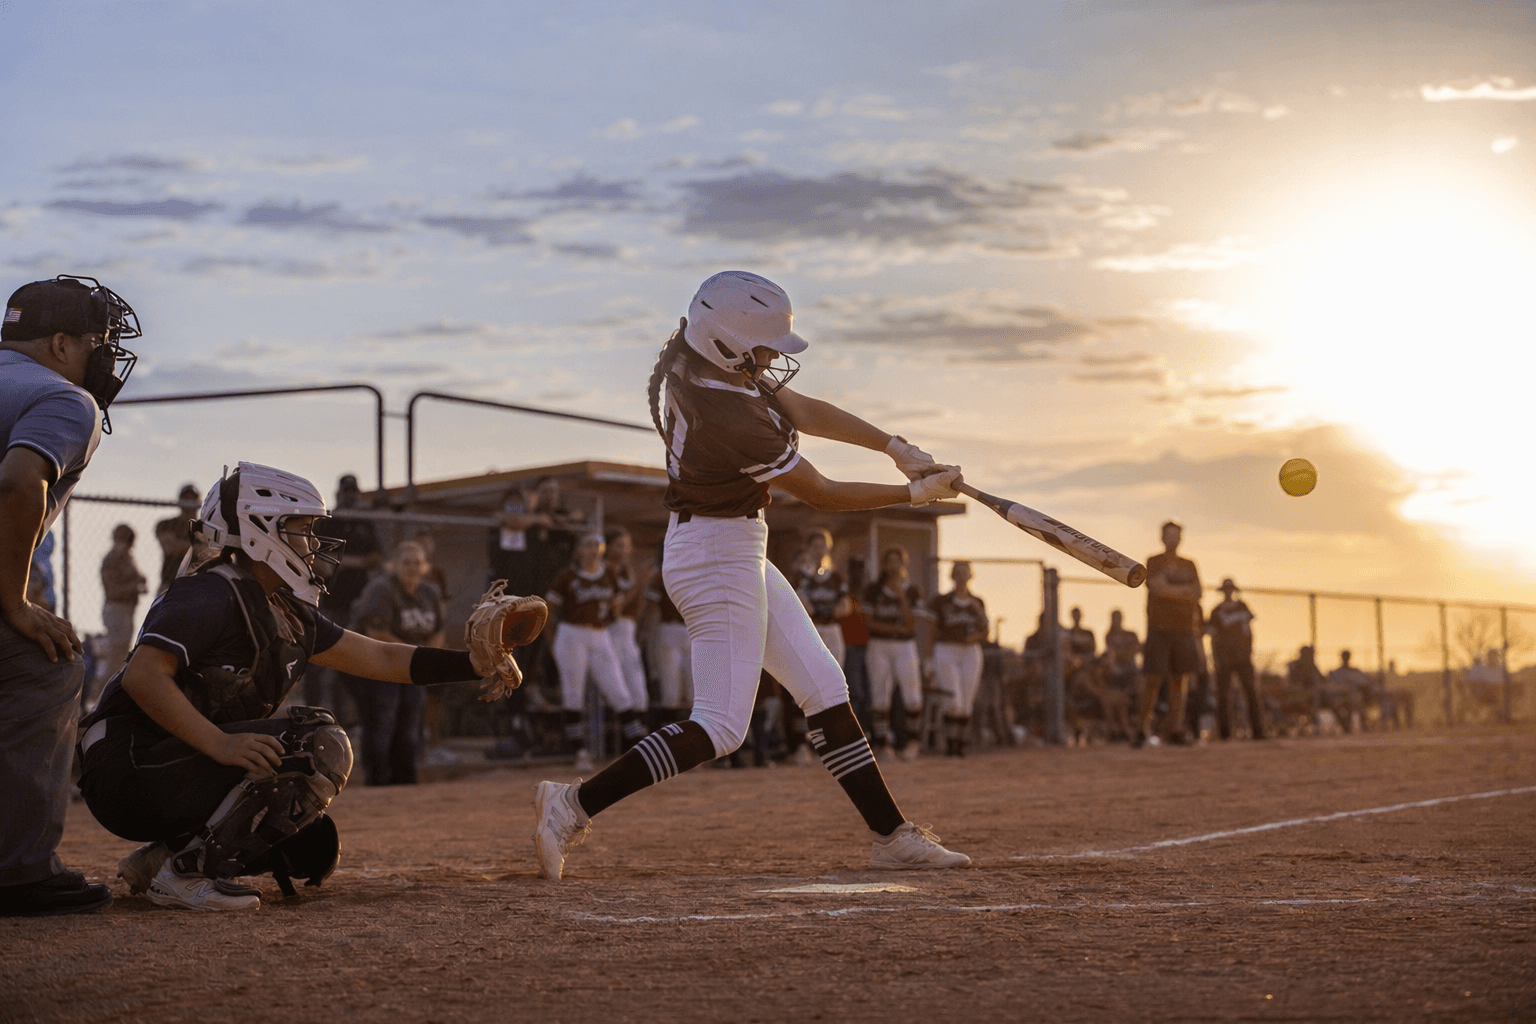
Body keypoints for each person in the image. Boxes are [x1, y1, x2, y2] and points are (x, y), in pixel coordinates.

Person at [531, 270, 969, 880]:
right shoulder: (725, 413)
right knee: (720, 725)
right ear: (727, 340)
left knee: (823, 686)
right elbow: (822, 492)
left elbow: (801, 406)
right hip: (714, 556)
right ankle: (572, 805)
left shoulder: (707, 363)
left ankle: (891, 835)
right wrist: (915, 495)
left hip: (731, 544)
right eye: (762, 348)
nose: (770, 361)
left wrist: (893, 445)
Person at [76, 463, 504, 911]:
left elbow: (379, 656)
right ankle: (186, 872)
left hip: (172, 762)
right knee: (317, 743)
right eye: (302, 530)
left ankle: (167, 854)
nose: (314, 544)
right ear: (262, 530)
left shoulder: (283, 608)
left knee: (311, 847)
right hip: (126, 769)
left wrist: (475, 664)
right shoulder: (209, 592)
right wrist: (220, 743)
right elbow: (144, 676)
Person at [0, 274, 139, 917]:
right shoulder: (65, 398)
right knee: (47, 663)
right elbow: (21, 483)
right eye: (93, 342)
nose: (101, 357)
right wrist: (14, 600)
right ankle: (20, 871)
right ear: (59, 343)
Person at [343, 540, 445, 786]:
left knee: (410, 723)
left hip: (408, 665)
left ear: (425, 567)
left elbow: (438, 631)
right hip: (373, 663)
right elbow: (376, 633)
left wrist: (429, 660)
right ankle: (379, 782)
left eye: (417, 563)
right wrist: (416, 657)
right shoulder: (381, 589)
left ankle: (405, 782)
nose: (411, 567)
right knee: (382, 722)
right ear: (393, 565)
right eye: (406, 562)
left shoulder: (430, 592)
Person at [546, 532, 646, 771]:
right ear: (579, 549)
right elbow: (547, 610)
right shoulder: (567, 576)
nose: (594, 550)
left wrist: (638, 584)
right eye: (588, 545)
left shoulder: (609, 575)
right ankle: (580, 752)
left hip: (600, 634)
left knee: (619, 691)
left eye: (598, 545)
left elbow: (616, 605)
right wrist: (551, 643)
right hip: (571, 633)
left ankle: (639, 750)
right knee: (574, 692)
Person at [309, 473, 381, 709]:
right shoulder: (328, 521)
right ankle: (312, 710)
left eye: (353, 492)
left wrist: (354, 562)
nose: (350, 496)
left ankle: (343, 717)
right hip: (328, 601)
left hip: (356, 603)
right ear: (339, 494)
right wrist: (358, 562)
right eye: (346, 492)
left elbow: (376, 556)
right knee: (319, 660)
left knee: (347, 661)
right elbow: (319, 559)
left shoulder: (364, 521)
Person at [1135, 520, 1203, 747]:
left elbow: (1197, 592)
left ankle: (1175, 729)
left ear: (1181, 538)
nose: (1173, 539)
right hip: (1158, 628)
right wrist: (1182, 591)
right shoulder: (1153, 561)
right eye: (1169, 535)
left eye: (1176, 535)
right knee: (1152, 679)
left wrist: (1170, 590)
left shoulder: (1189, 564)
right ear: (1162, 537)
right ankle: (1142, 729)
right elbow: (1156, 587)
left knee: (1179, 679)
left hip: (1183, 629)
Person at [864, 546, 930, 759]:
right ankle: (884, 744)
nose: (893, 566)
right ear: (883, 564)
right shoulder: (873, 589)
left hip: (905, 646)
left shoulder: (912, 591)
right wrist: (895, 629)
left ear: (904, 564)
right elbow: (870, 624)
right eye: (889, 561)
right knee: (880, 694)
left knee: (912, 694)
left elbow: (911, 625)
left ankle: (913, 742)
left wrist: (901, 596)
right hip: (879, 645)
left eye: (897, 561)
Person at [925, 561, 988, 757]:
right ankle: (950, 743)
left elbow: (985, 632)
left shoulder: (977, 602)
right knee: (953, 699)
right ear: (952, 576)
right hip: (946, 649)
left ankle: (960, 743)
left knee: (967, 699)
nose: (961, 577)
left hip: (971, 651)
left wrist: (975, 635)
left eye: (964, 573)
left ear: (970, 576)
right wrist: (928, 661)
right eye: (957, 573)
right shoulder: (941, 601)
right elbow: (930, 632)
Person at [90, 523, 148, 712]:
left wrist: (140, 581)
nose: (124, 544)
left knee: (122, 656)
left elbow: (139, 579)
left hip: (126, 611)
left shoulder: (127, 558)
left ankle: (108, 702)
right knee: (115, 658)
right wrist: (135, 586)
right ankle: (98, 703)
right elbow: (113, 591)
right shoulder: (112, 559)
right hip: (116, 610)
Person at [603, 525, 651, 730]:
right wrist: (640, 584)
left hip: (628, 630)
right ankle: (624, 737)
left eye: (627, 546)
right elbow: (615, 607)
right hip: (608, 631)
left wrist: (639, 587)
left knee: (638, 689)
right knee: (618, 689)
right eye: (619, 545)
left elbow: (635, 608)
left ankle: (636, 738)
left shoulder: (627, 570)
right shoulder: (602, 570)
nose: (624, 550)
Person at [1207, 578, 1264, 739]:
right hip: (1225, 658)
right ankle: (1225, 733)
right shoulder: (1216, 611)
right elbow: (1212, 635)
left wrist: (1248, 649)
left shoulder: (1242, 606)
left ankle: (1258, 731)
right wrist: (1217, 657)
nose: (1228, 592)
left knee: (1251, 692)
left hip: (1243, 656)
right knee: (1223, 695)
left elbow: (1248, 629)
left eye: (1230, 589)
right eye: (1226, 589)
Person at [639, 553, 691, 723]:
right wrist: (644, 633)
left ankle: (694, 738)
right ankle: (671, 737)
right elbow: (651, 607)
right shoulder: (663, 574)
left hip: (693, 631)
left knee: (696, 692)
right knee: (670, 691)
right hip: (670, 629)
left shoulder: (698, 571)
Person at [793, 527, 852, 671]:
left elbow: (845, 607)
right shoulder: (801, 576)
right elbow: (804, 608)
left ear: (828, 548)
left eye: (822, 546)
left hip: (832, 628)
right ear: (808, 549)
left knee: (835, 672)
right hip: (810, 629)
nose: (819, 550)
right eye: (815, 546)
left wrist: (834, 609)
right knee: (809, 673)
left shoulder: (836, 577)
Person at [153, 485, 201, 596]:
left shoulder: (204, 527)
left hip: (195, 584)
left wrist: (182, 546)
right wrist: (196, 547)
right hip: (169, 583)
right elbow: (170, 548)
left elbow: (209, 552)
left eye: (192, 499)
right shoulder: (166, 525)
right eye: (186, 499)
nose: (189, 503)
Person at [1323, 650, 1371, 733]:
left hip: (1354, 697)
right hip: (1339, 697)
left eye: (1347, 657)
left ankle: (1363, 725)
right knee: (1337, 704)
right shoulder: (1336, 673)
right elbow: (1331, 687)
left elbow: (1366, 683)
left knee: (1355, 700)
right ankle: (1345, 726)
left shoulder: (1355, 671)